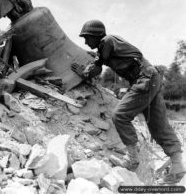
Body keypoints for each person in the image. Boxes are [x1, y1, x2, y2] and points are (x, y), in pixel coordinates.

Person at [71, 20, 186, 184]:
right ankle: (178, 167)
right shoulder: (108, 44)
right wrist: (91, 65)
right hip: (150, 78)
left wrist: (85, 72)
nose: (85, 42)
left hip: (144, 79)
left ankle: (132, 158)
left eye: (87, 37)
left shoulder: (107, 41)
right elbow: (99, 63)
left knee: (119, 115)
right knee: (158, 125)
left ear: (96, 36)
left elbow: (97, 66)